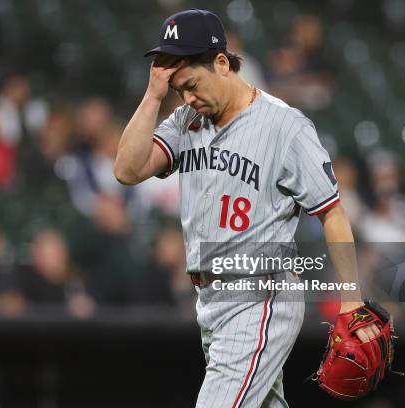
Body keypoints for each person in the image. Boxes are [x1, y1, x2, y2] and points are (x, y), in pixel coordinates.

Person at [114, 9, 385, 407]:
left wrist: (350, 299)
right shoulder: (187, 119)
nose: (187, 97)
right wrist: (155, 94)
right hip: (210, 300)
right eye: (178, 89)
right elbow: (127, 169)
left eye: (191, 84)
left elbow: (332, 213)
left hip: (260, 294)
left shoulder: (285, 127)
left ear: (222, 63)